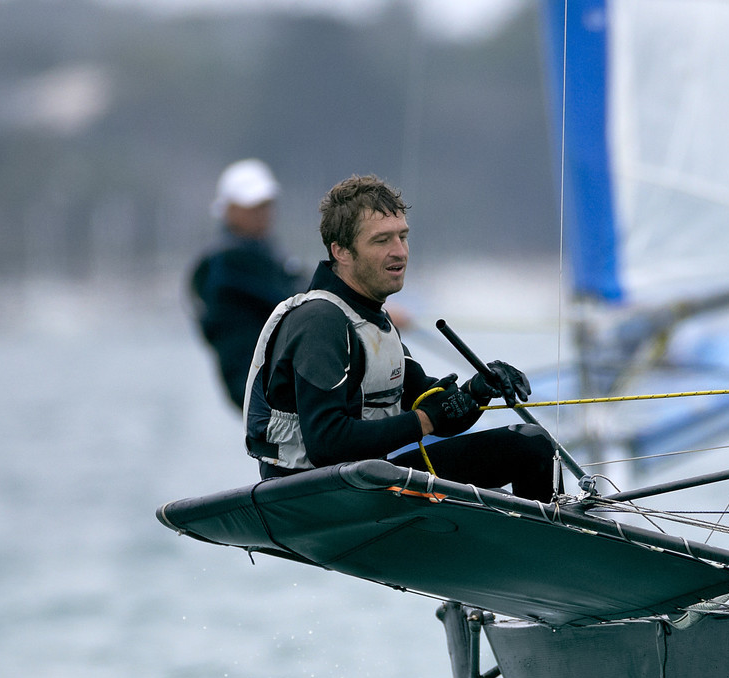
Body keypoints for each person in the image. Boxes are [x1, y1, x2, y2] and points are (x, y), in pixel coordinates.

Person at [242, 175, 554, 501]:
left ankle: (556, 539)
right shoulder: (320, 321)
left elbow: (432, 406)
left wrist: (477, 390)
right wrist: (425, 420)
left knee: (530, 444)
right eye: (382, 241)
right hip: (314, 498)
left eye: (403, 237)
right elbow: (328, 443)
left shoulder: (369, 317)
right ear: (342, 251)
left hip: (366, 480)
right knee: (525, 449)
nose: (400, 252)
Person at [189, 159, 305, 409]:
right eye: (253, 206)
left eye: (266, 204)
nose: (262, 213)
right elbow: (297, 300)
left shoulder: (263, 253)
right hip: (261, 389)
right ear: (229, 209)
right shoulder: (229, 261)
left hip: (273, 386)